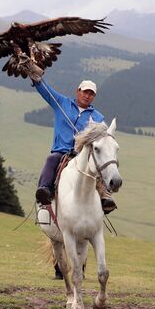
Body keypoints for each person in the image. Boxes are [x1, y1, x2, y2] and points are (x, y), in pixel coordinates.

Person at [29, 74, 117, 215]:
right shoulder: (62, 103)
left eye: (91, 94)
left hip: (82, 155)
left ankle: (105, 196)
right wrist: (35, 78)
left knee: (100, 166)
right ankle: (45, 190)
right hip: (61, 151)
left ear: (94, 97)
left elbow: (102, 140)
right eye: (85, 92)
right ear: (78, 91)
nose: (87, 96)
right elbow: (45, 90)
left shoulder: (98, 117)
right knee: (51, 159)